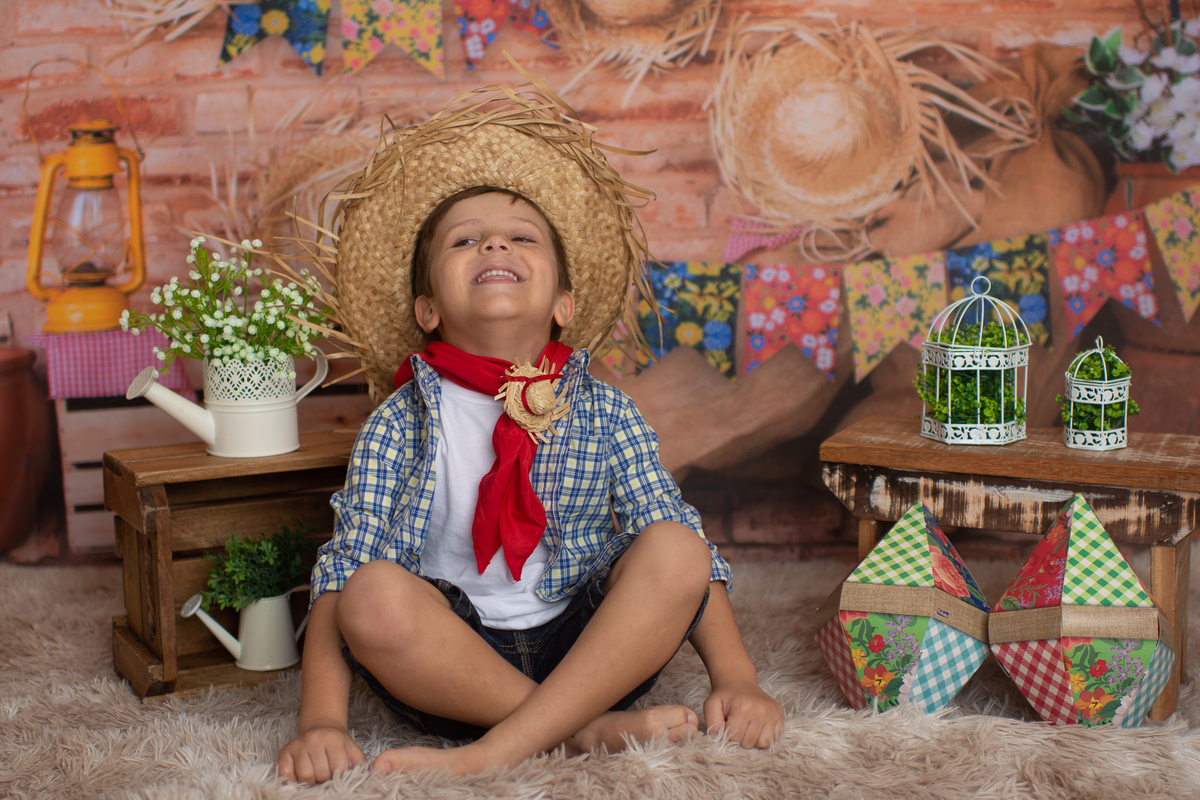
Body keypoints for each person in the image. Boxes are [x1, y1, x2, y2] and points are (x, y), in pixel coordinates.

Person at [276, 88, 785, 786]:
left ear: (562, 306)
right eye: (465, 240)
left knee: (675, 544)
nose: (494, 244)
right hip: (450, 670)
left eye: (522, 238)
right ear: (427, 309)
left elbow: (682, 551)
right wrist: (322, 723)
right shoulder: (399, 424)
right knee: (370, 591)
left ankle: (494, 753)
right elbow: (344, 571)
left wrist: (739, 678)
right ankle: (583, 732)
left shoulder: (604, 411)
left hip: (592, 653)